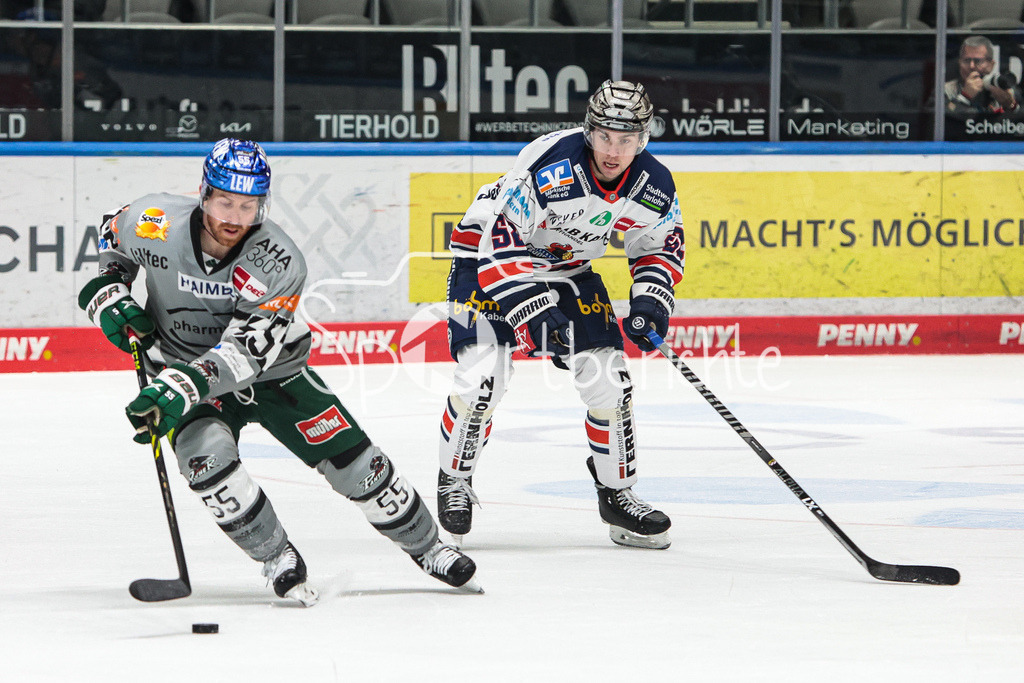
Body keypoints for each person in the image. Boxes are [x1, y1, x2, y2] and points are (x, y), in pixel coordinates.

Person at [78, 138, 480, 605]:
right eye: (225, 201)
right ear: (204, 193)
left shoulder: (279, 260)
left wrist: (183, 385)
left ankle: (430, 547)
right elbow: (111, 234)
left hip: (274, 374)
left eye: (248, 206)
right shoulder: (154, 220)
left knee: (357, 467)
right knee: (208, 467)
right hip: (182, 370)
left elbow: (247, 352)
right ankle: (276, 557)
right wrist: (110, 288)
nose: (234, 217)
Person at [436, 80, 684, 550]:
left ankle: (617, 494)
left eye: (626, 138)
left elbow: (657, 247)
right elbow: (500, 240)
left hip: (569, 269)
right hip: (487, 260)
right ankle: (454, 482)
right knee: (483, 376)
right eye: (606, 136)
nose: (614, 150)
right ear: (590, 131)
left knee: (611, 381)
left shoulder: (654, 184)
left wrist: (651, 301)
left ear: (643, 139)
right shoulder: (554, 166)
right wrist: (534, 311)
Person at [943, 35, 1023, 119]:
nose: (972, 66)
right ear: (959, 63)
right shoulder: (945, 90)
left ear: (991, 65)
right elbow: (942, 122)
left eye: (978, 61)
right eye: (966, 60)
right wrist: (965, 96)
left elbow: (1020, 122)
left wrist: (1011, 105)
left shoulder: (1005, 89)